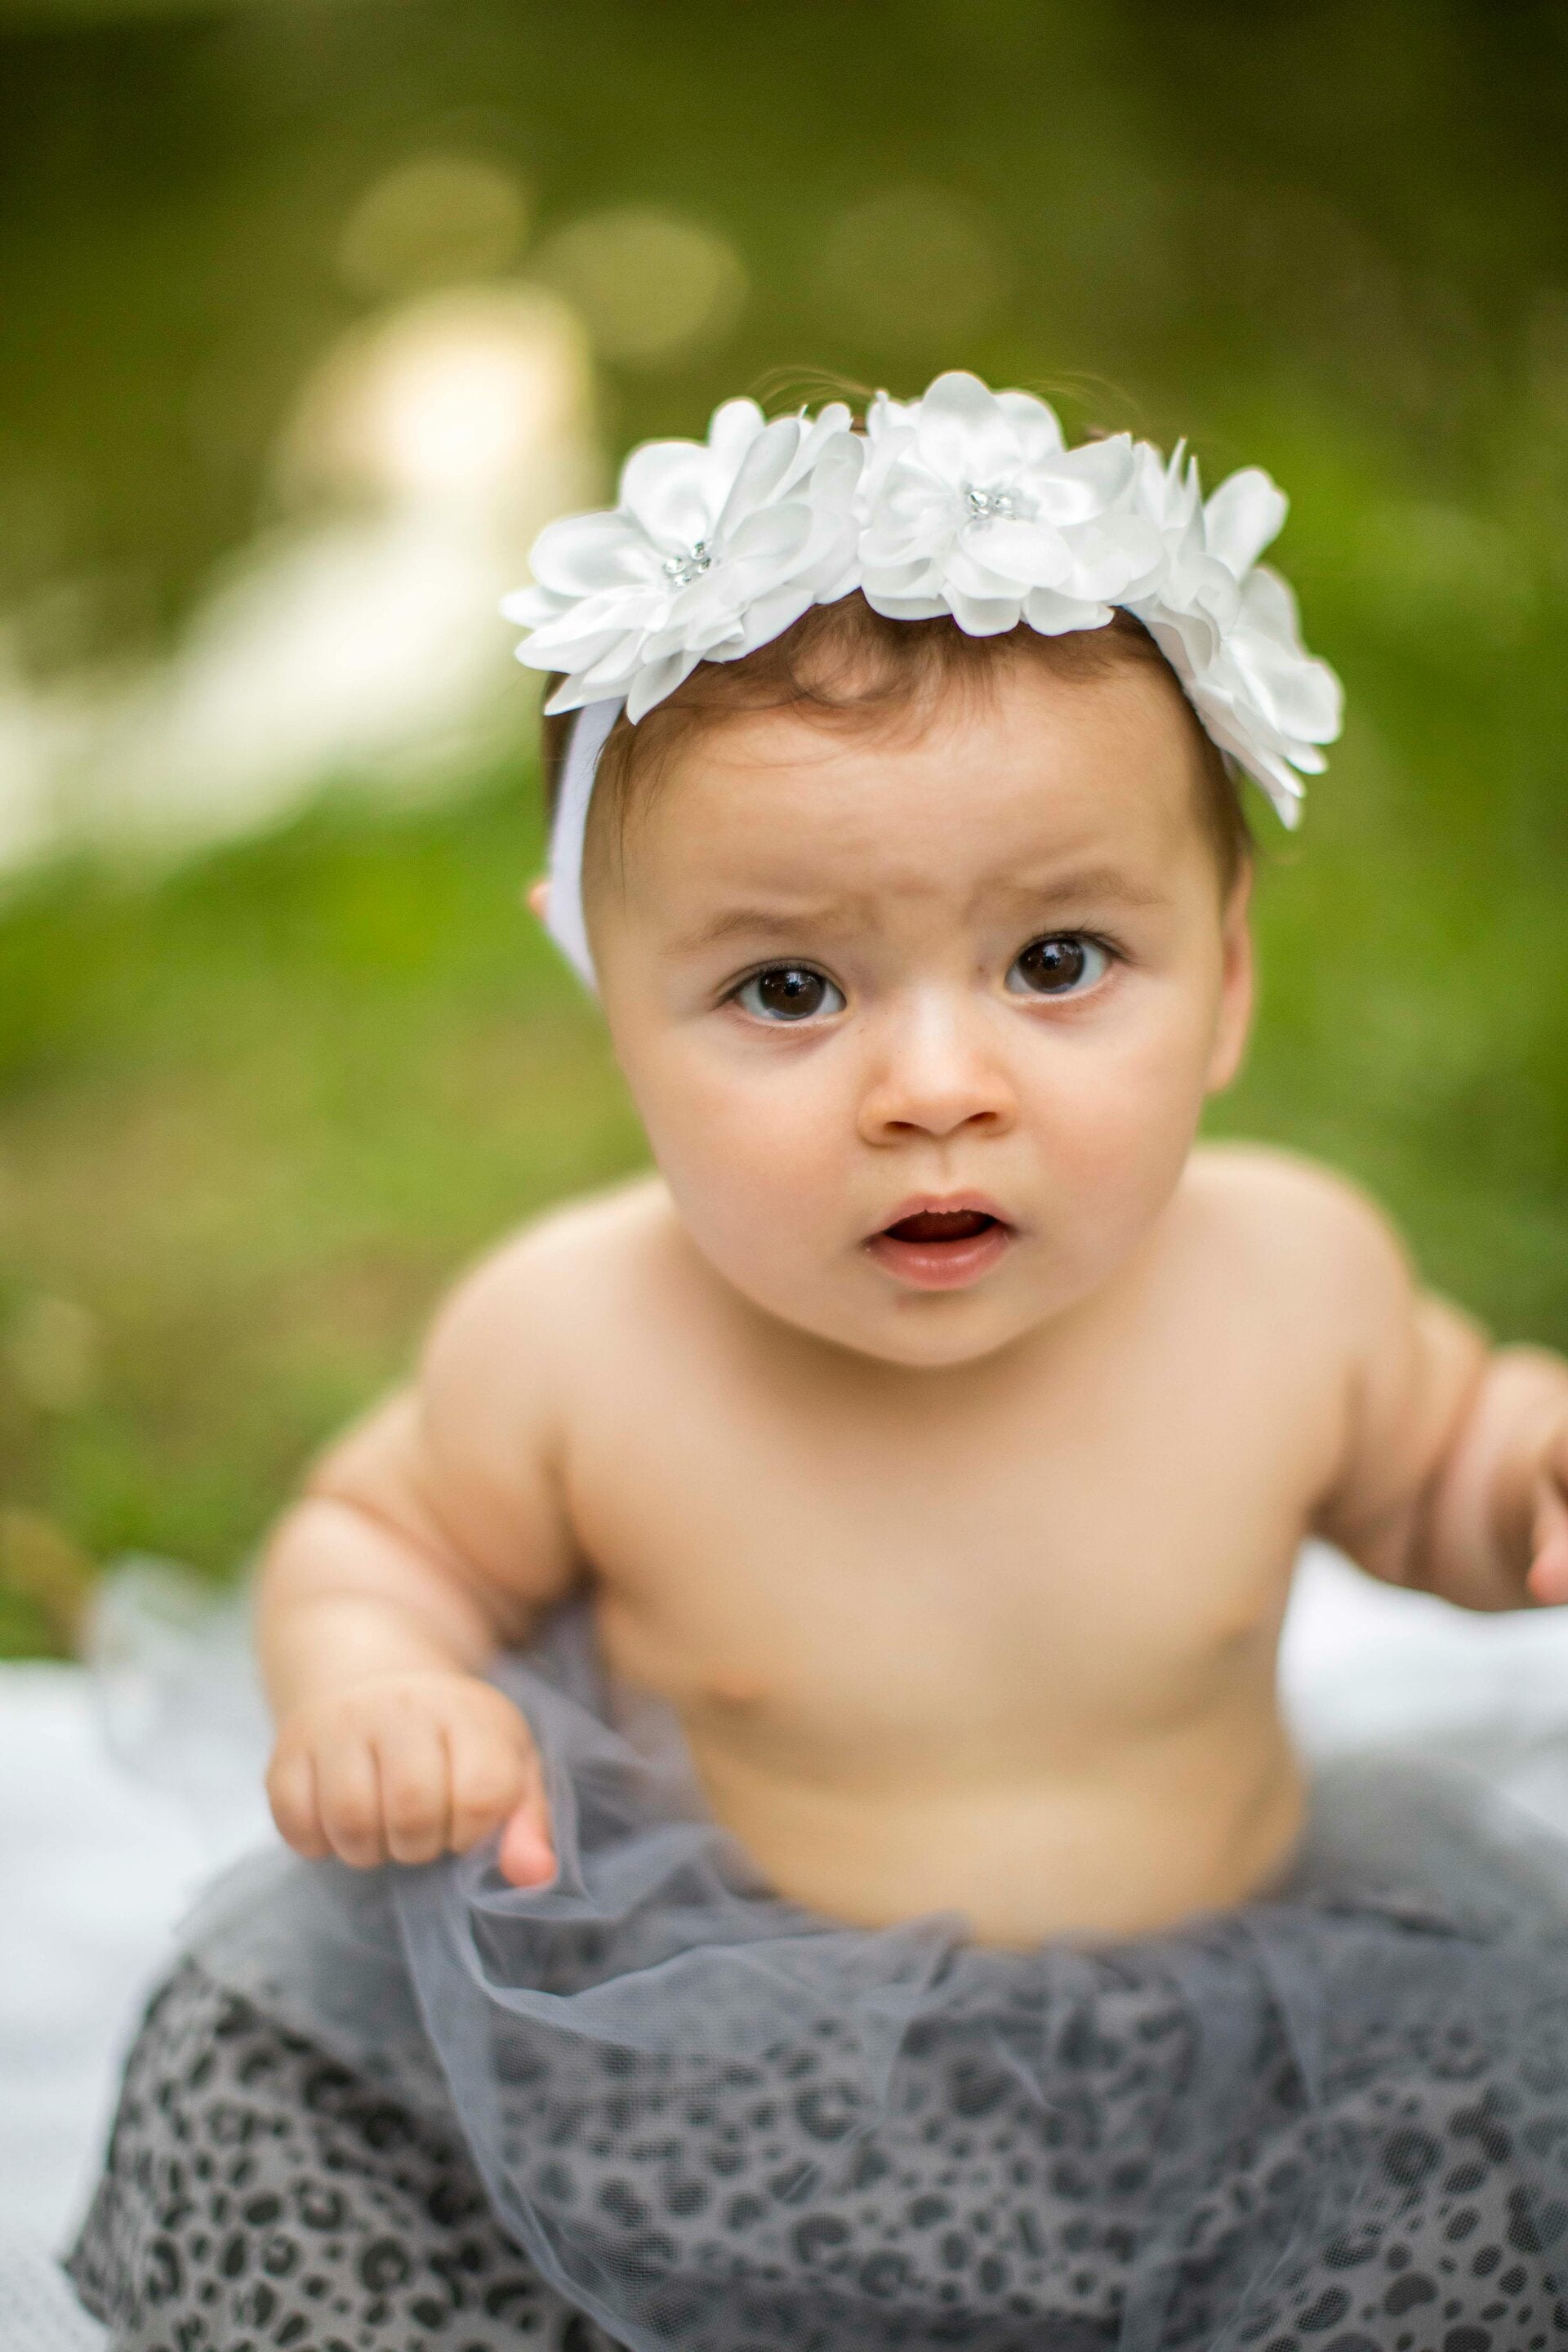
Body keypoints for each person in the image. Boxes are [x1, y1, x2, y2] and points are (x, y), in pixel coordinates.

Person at [69, 373, 1568, 2352]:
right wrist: (382, 1680)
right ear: (609, 992)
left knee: (1490, 2147)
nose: (935, 1090)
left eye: (1057, 962)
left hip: (1229, 2062)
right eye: (788, 988)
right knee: (260, 2074)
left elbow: (1440, 1468)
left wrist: (1522, 1477)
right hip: (697, 2068)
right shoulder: (575, 1337)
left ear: (1228, 978)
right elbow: (383, 1526)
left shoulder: (1298, 1277)